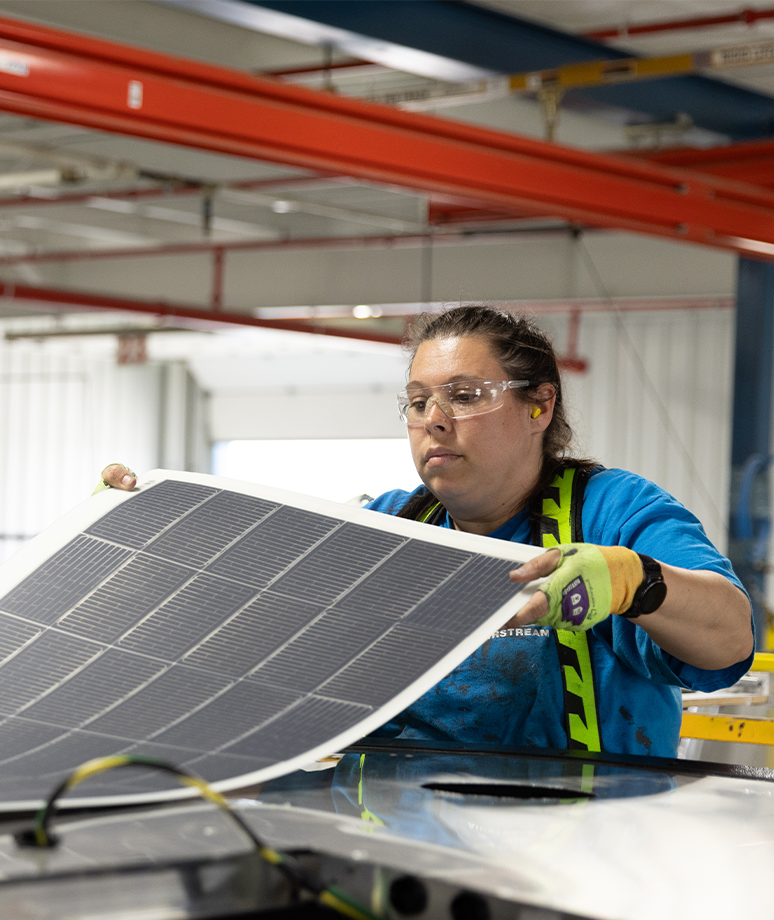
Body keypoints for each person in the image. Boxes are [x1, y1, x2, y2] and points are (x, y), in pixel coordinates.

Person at [100, 306, 754, 758]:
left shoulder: (610, 510)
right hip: (391, 847)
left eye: (466, 396)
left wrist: (633, 581)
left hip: (581, 856)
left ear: (539, 405)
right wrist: (154, 535)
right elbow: (255, 631)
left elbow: (727, 639)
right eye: (418, 401)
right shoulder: (388, 525)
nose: (434, 421)